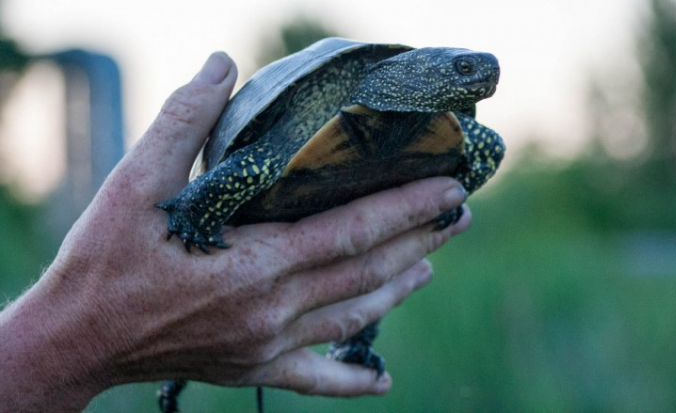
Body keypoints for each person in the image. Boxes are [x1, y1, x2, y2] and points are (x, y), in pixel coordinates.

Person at [0, 52, 471, 412]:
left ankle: (353, 341)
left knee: (360, 260)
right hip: (262, 181)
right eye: (463, 69)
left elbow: (474, 146)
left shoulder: (431, 109)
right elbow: (254, 159)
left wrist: (460, 184)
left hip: (362, 193)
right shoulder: (329, 89)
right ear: (419, 70)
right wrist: (190, 214)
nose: (480, 76)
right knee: (265, 170)